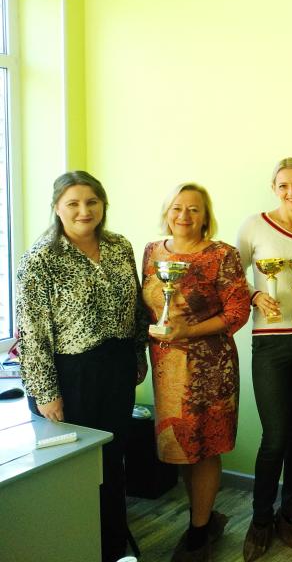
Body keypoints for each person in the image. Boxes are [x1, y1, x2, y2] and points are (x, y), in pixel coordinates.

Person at [15, 170, 148, 562]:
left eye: (91, 201)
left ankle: (112, 545)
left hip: (117, 366)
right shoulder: (40, 260)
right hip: (70, 374)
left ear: (103, 204)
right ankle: (79, 547)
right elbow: (32, 334)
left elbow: (136, 307)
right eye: (72, 203)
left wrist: (138, 353)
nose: (83, 211)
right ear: (57, 208)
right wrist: (46, 393)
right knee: (76, 466)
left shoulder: (119, 246)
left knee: (113, 457)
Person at [142, 182, 250, 562]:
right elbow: (148, 309)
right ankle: (202, 517)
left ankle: (199, 532)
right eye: (177, 207)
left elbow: (237, 312)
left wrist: (189, 330)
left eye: (193, 209)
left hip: (209, 367)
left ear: (206, 216)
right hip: (166, 366)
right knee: (181, 448)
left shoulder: (222, 254)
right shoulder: (152, 252)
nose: (184, 216)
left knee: (203, 448)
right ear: (166, 212)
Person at [236, 158, 292, 561]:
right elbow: (230, 277)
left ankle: (291, 515)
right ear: (273, 188)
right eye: (284, 185)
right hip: (269, 342)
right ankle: (260, 520)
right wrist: (256, 295)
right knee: (275, 436)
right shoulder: (254, 226)